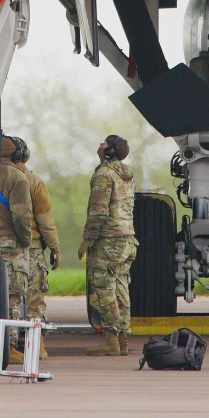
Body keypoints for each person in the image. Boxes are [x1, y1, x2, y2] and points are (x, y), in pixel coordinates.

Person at [78, 133, 136, 356]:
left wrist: (88, 238)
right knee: (121, 287)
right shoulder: (126, 174)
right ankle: (122, 339)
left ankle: (110, 339)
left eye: (104, 143)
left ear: (110, 151)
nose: (100, 145)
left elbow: (98, 211)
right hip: (127, 238)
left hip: (108, 240)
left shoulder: (104, 174)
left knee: (103, 286)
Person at [0, 136, 39, 331]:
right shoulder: (18, 178)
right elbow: (21, 216)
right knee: (12, 296)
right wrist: (25, 241)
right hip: (9, 245)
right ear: (18, 155)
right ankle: (9, 345)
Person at [8, 136, 59, 327]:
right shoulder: (35, 182)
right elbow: (45, 220)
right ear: (24, 156)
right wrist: (55, 247)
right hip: (33, 248)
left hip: (4, 247)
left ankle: (7, 343)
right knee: (35, 299)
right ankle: (38, 344)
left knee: (9, 298)